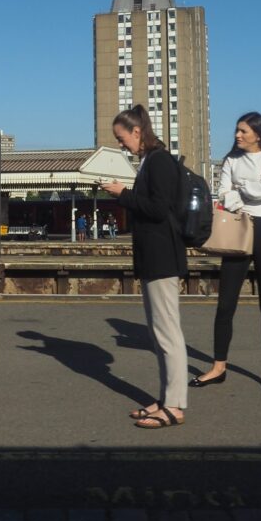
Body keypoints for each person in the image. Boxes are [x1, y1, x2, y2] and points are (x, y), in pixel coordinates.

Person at [99, 104, 187, 429]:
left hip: (163, 258)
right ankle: (166, 399)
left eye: (122, 138)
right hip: (154, 258)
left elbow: (160, 208)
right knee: (159, 334)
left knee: (168, 334)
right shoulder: (151, 160)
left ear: (137, 132)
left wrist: (124, 194)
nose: (121, 145)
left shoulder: (160, 161)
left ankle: (175, 407)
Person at [190, 111, 261, 393]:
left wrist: (240, 189)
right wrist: (249, 187)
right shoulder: (231, 160)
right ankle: (218, 367)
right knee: (225, 304)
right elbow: (223, 196)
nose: (237, 135)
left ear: (258, 133)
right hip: (237, 228)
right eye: (236, 130)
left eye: (243, 131)